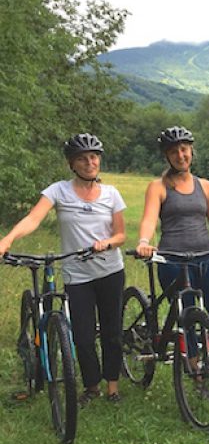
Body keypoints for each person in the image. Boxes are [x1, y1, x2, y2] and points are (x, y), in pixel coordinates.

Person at [0, 133, 126, 404]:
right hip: (77, 275)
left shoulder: (111, 194)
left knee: (112, 332)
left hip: (110, 272)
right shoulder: (58, 190)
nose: (89, 162)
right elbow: (34, 218)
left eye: (93, 157)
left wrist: (107, 242)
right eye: (82, 158)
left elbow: (121, 235)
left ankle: (112, 386)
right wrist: (8, 239)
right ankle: (91, 386)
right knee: (82, 335)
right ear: (72, 164)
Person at [135, 126, 209, 390]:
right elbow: (149, 220)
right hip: (172, 260)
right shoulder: (158, 187)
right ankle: (197, 376)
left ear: (191, 151)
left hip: (204, 258)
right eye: (174, 151)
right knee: (187, 317)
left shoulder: (206, 187)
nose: (180, 155)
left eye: (184, 149)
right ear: (167, 156)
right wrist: (144, 242)